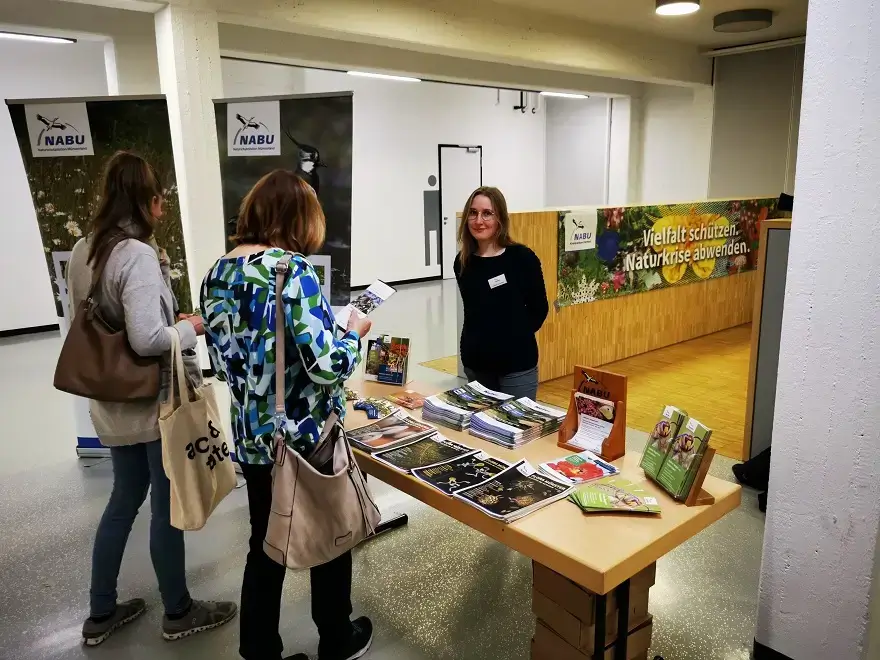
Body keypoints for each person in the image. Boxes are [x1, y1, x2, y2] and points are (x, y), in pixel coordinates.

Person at [200, 170, 373, 660]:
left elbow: (234, 353)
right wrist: (354, 332)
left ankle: (259, 650)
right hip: (304, 435)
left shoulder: (217, 272)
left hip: (253, 436)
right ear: (299, 218)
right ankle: (336, 639)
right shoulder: (290, 270)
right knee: (331, 532)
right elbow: (326, 366)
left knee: (266, 540)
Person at [67, 151, 237, 646]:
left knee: (123, 498)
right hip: (149, 401)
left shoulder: (84, 248)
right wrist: (187, 328)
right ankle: (179, 611)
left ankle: (101, 611)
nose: (163, 210)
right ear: (148, 200)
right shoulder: (136, 253)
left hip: (109, 396)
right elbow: (145, 340)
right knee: (166, 504)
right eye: (160, 200)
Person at [454, 186, 549, 400]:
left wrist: (514, 338)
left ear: (500, 219)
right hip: (476, 365)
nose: (479, 220)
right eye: (473, 212)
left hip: (517, 366)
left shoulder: (522, 258)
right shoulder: (463, 262)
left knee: (518, 429)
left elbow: (539, 309)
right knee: (480, 431)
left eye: (487, 213)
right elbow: (473, 313)